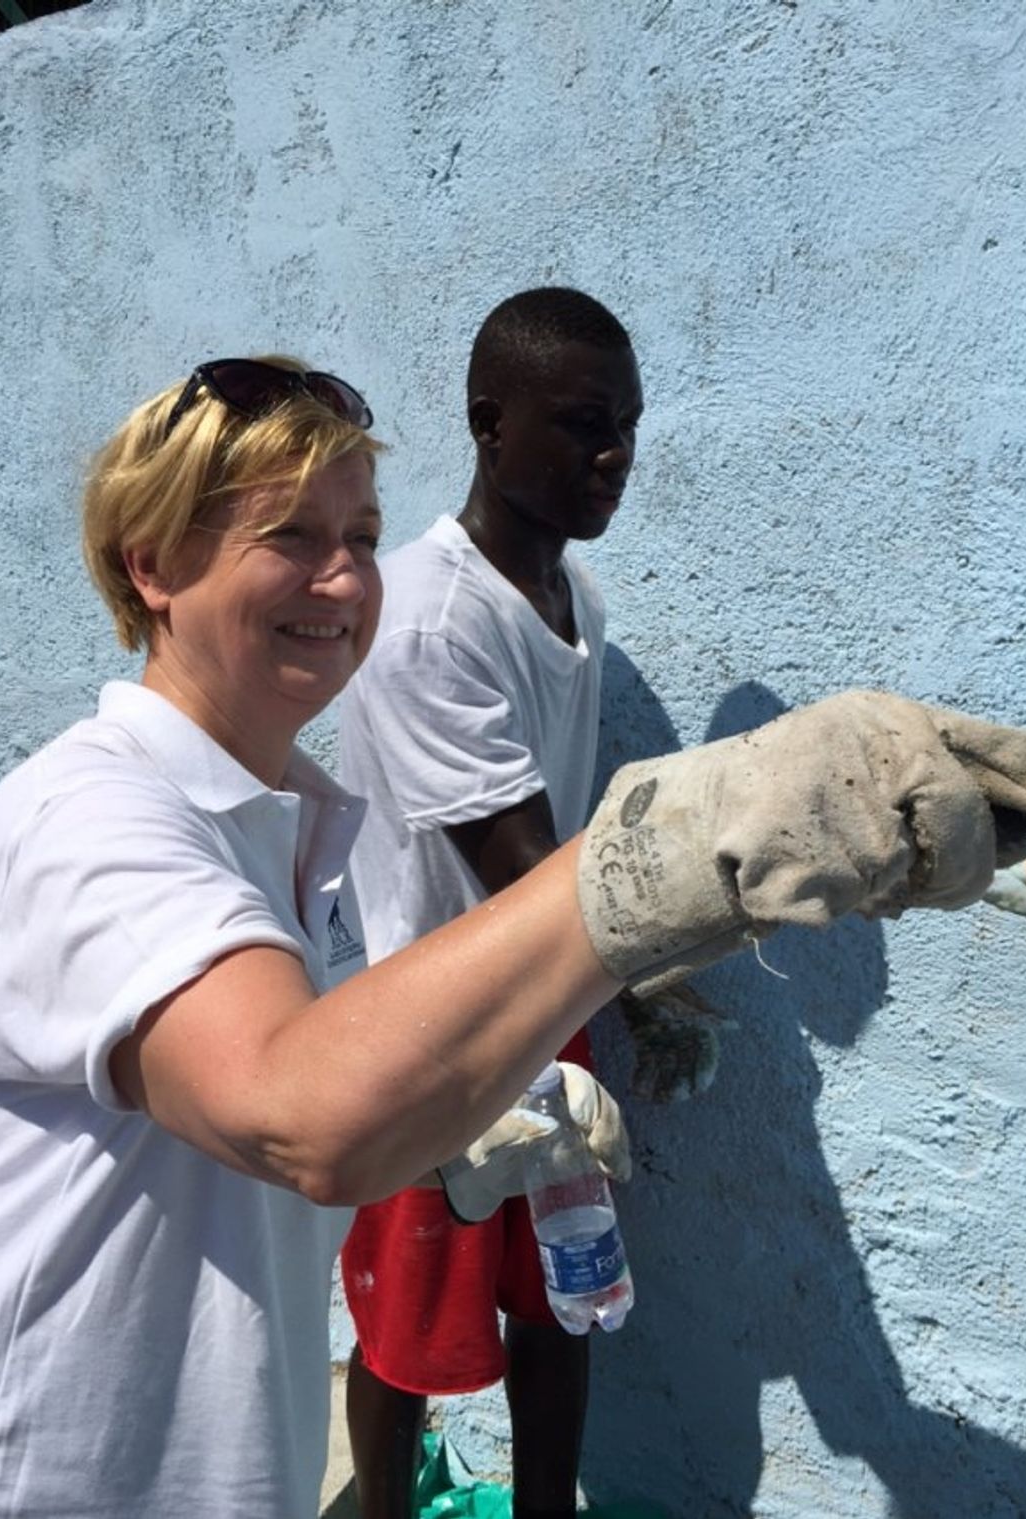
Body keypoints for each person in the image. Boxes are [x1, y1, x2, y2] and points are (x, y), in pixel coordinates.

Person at [0, 354, 1026, 1519]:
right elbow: (299, 1112)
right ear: (152, 565)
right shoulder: (88, 821)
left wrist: (463, 1120)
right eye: (291, 536)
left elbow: (275, 1096)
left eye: (361, 534)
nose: (346, 579)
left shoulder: (288, 825)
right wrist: (682, 843)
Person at [337, 287, 643, 1519]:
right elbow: (524, 862)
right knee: (407, 1330)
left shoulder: (578, 599)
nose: (614, 455)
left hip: (546, 994)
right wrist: (676, 929)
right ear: (488, 423)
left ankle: (548, 1507)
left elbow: (554, 861)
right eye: (582, 424)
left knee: (562, 1290)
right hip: (427, 1026)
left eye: (626, 426)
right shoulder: (424, 618)